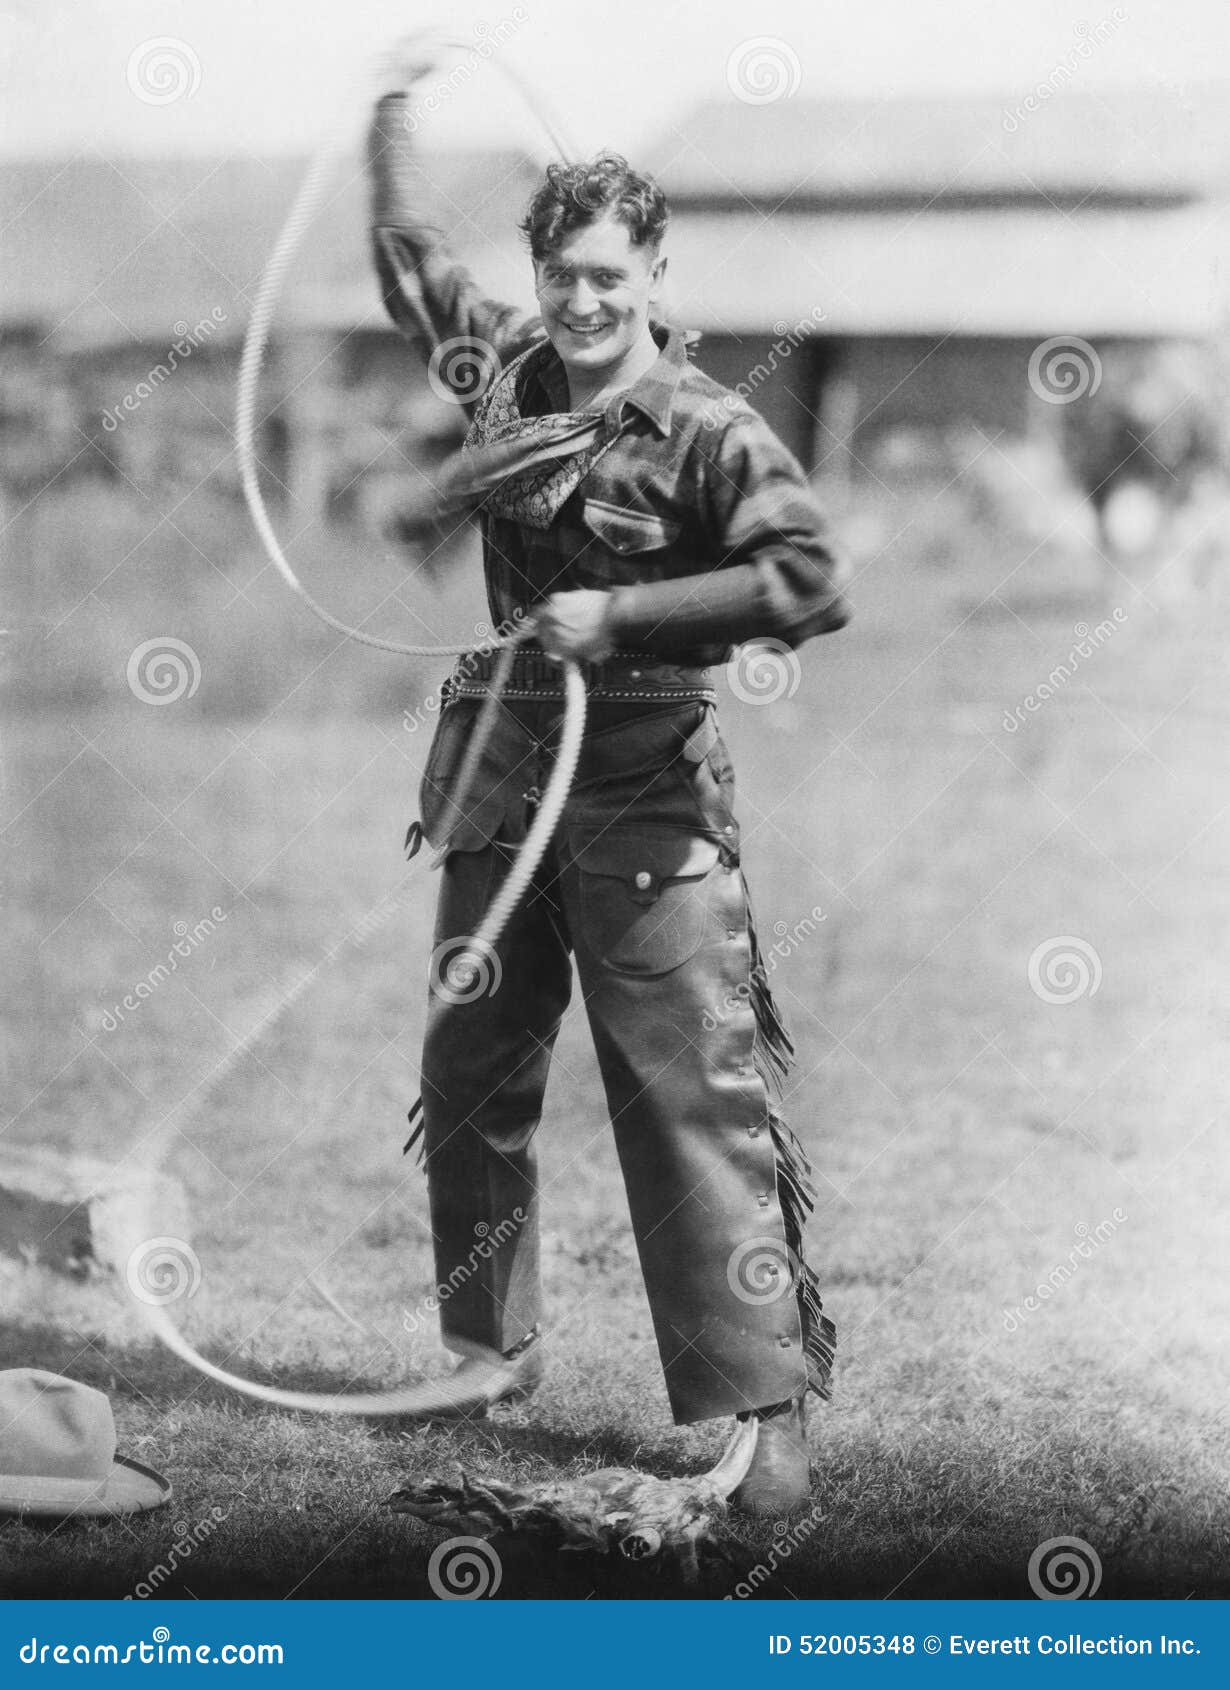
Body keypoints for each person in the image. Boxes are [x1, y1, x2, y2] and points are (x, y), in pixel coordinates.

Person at [366, 42, 851, 1516]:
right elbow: (408, 264)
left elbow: (808, 577)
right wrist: (389, 110)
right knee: (469, 1076)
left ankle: (765, 1425)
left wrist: (623, 615)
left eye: (603, 274)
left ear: (649, 270)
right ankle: (479, 1349)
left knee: (683, 1100)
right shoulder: (506, 376)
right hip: (502, 788)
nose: (579, 301)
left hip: (646, 805)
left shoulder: (708, 428)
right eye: (557, 273)